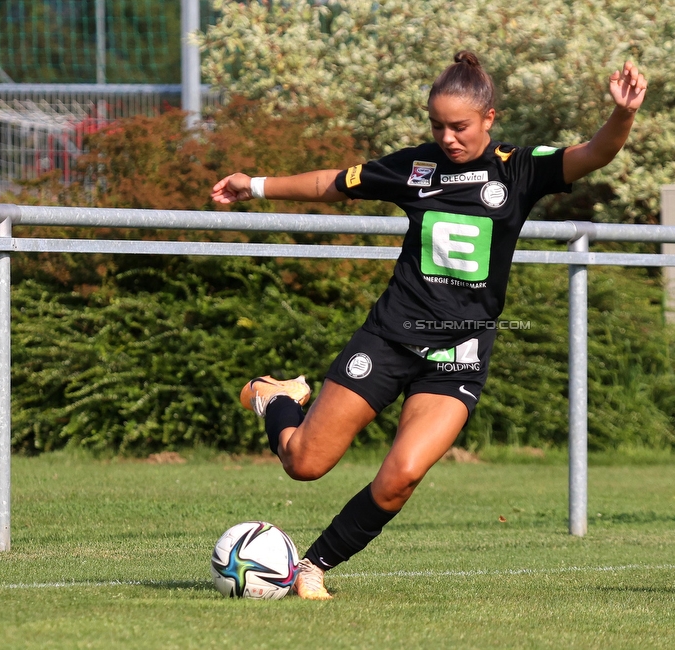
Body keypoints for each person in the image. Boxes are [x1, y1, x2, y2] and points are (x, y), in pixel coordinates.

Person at [211, 50, 647, 599]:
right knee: (303, 463)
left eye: (459, 126)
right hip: (390, 337)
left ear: (489, 118)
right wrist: (254, 186)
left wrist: (623, 115)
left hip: (459, 355)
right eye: (437, 125)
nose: (448, 137)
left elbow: (595, 153)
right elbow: (334, 182)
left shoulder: (520, 168)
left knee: (402, 477)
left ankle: (314, 567)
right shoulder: (416, 166)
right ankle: (275, 396)